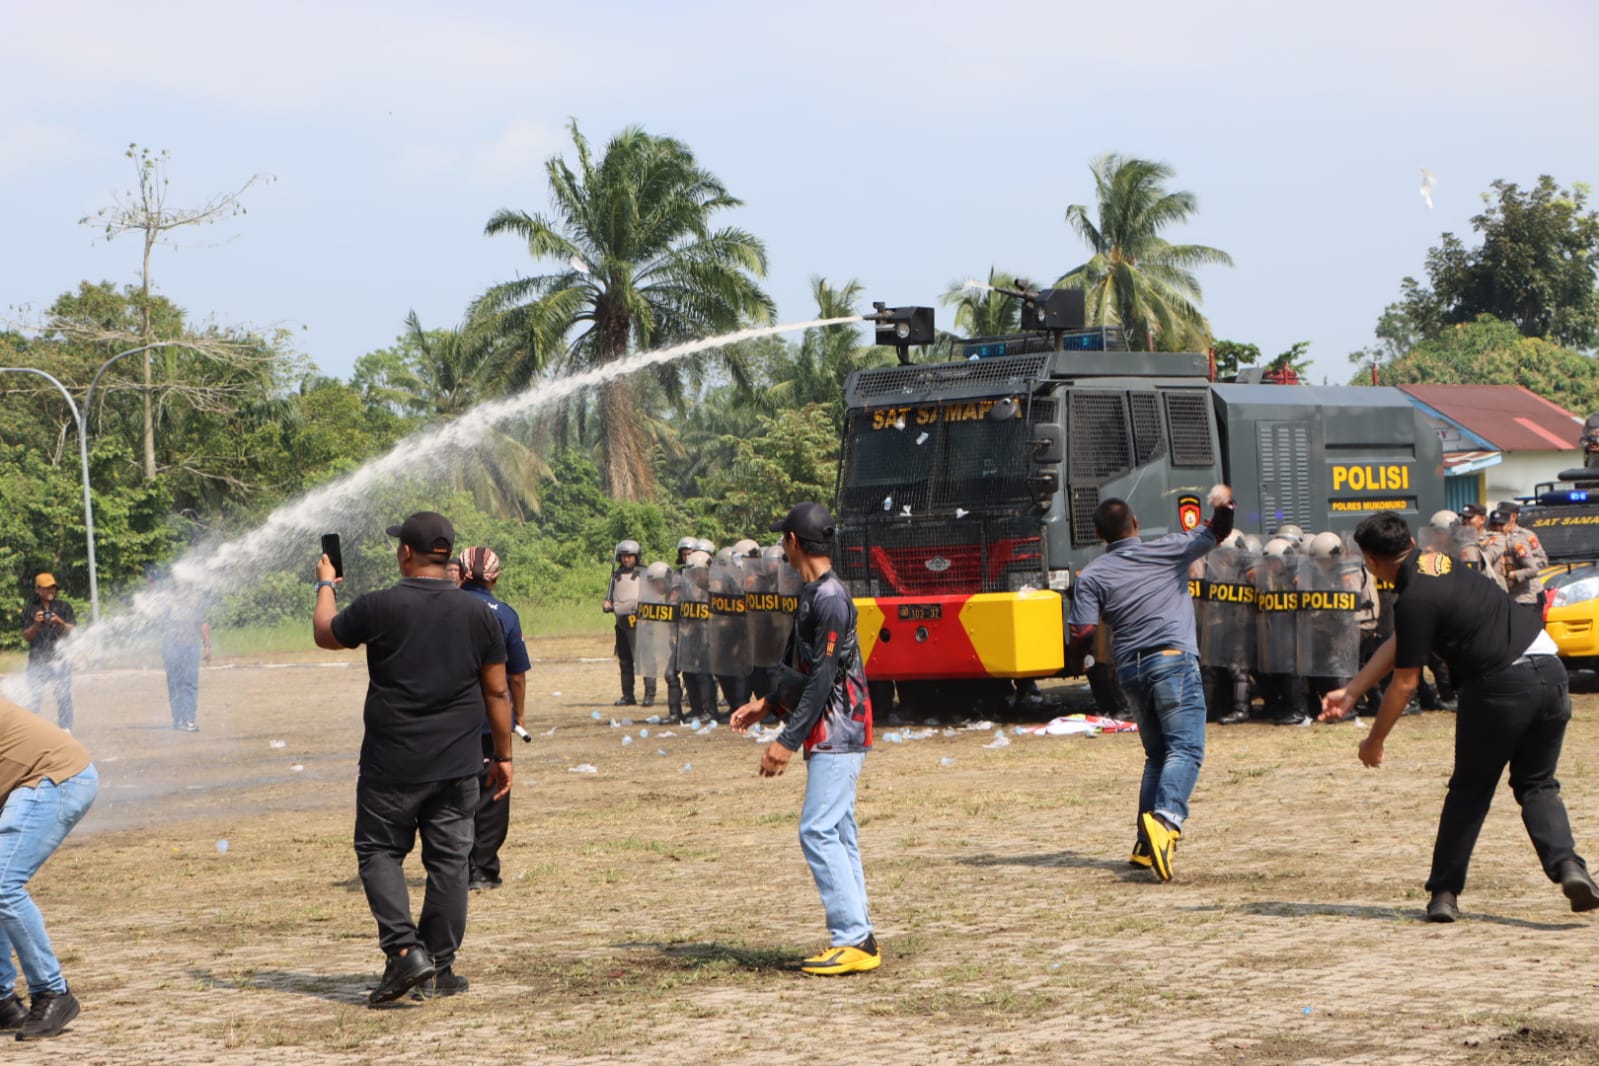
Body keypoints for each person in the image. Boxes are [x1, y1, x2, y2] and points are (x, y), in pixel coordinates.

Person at [1319, 511, 1599, 923]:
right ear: (1410, 544)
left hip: (1499, 685)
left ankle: (1444, 894)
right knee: (1538, 783)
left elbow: (1405, 683)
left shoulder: (1412, 599)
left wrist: (1374, 739)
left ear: (1372, 562)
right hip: (1551, 674)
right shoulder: (1438, 561)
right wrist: (1353, 690)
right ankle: (1570, 867)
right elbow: (1404, 641)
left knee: (1469, 790)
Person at [313, 511, 512, 1004]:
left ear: (405, 553)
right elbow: (497, 693)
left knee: (379, 851)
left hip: (392, 762)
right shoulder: (479, 614)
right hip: (459, 762)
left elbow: (325, 633)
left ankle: (404, 953)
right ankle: (439, 967)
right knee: (449, 862)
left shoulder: (379, 606)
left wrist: (326, 585)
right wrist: (504, 755)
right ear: (447, 555)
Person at [731, 502, 878, 976]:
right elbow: (805, 672)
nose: (780, 546)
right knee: (838, 831)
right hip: (830, 729)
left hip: (838, 730)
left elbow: (823, 679)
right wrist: (767, 704)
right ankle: (860, 935)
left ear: (794, 542)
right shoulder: (816, 594)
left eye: (783, 539)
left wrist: (785, 741)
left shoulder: (831, 599)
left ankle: (852, 938)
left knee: (816, 830)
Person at [1066, 485, 1236, 882]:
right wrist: (1224, 504)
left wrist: (1080, 660)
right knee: (1186, 749)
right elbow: (1217, 530)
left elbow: (1083, 629)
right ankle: (1167, 820)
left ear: (1099, 536)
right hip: (1173, 661)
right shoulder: (1169, 549)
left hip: (1130, 670)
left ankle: (1145, 845)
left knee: (1157, 755)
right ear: (1137, 524)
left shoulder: (1091, 575)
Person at [0, 697, 97, 1040]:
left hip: (55, 778)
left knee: (3, 885)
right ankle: (2, 1002)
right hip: (30, 783)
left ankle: (53, 992)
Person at [456, 547, 530, 892]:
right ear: (495, 578)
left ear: (459, 572)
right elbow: (515, 675)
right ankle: (483, 869)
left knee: (451, 793)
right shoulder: (505, 614)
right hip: (490, 720)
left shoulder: (443, 607)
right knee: (492, 792)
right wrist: (518, 713)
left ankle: (452, 865)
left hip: (448, 719)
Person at [146, 567, 212, 732]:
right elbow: (153, 603)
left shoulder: (197, 599)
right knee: (175, 683)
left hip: (191, 644)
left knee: (190, 682)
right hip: (171, 644)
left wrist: (207, 646)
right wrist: (151, 585)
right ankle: (178, 719)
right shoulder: (167, 598)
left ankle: (189, 719)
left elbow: (203, 623)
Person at [19, 576, 75, 731]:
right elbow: (27, 636)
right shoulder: (29, 610)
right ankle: (32, 732)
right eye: (46, 587)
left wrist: (59, 622)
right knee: (33, 699)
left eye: (53, 587)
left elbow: (73, 631)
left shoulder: (64, 607)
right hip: (37, 661)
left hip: (60, 660)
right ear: (37, 589)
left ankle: (66, 731)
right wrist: (36, 624)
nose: (51, 591)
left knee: (64, 698)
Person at [602, 540, 647, 706]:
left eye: (630, 556)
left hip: (639, 622)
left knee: (643, 659)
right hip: (621, 622)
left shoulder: (644, 573)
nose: (626, 559)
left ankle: (649, 694)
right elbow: (613, 598)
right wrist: (608, 604)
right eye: (624, 557)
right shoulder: (617, 575)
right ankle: (628, 695)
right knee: (625, 659)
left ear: (636, 557)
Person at [1498, 500, 1549, 622]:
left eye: (1504, 515)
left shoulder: (1526, 535)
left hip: (1528, 594)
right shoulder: (1495, 535)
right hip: (1506, 594)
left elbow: (1542, 560)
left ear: (1513, 516)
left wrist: (1518, 573)